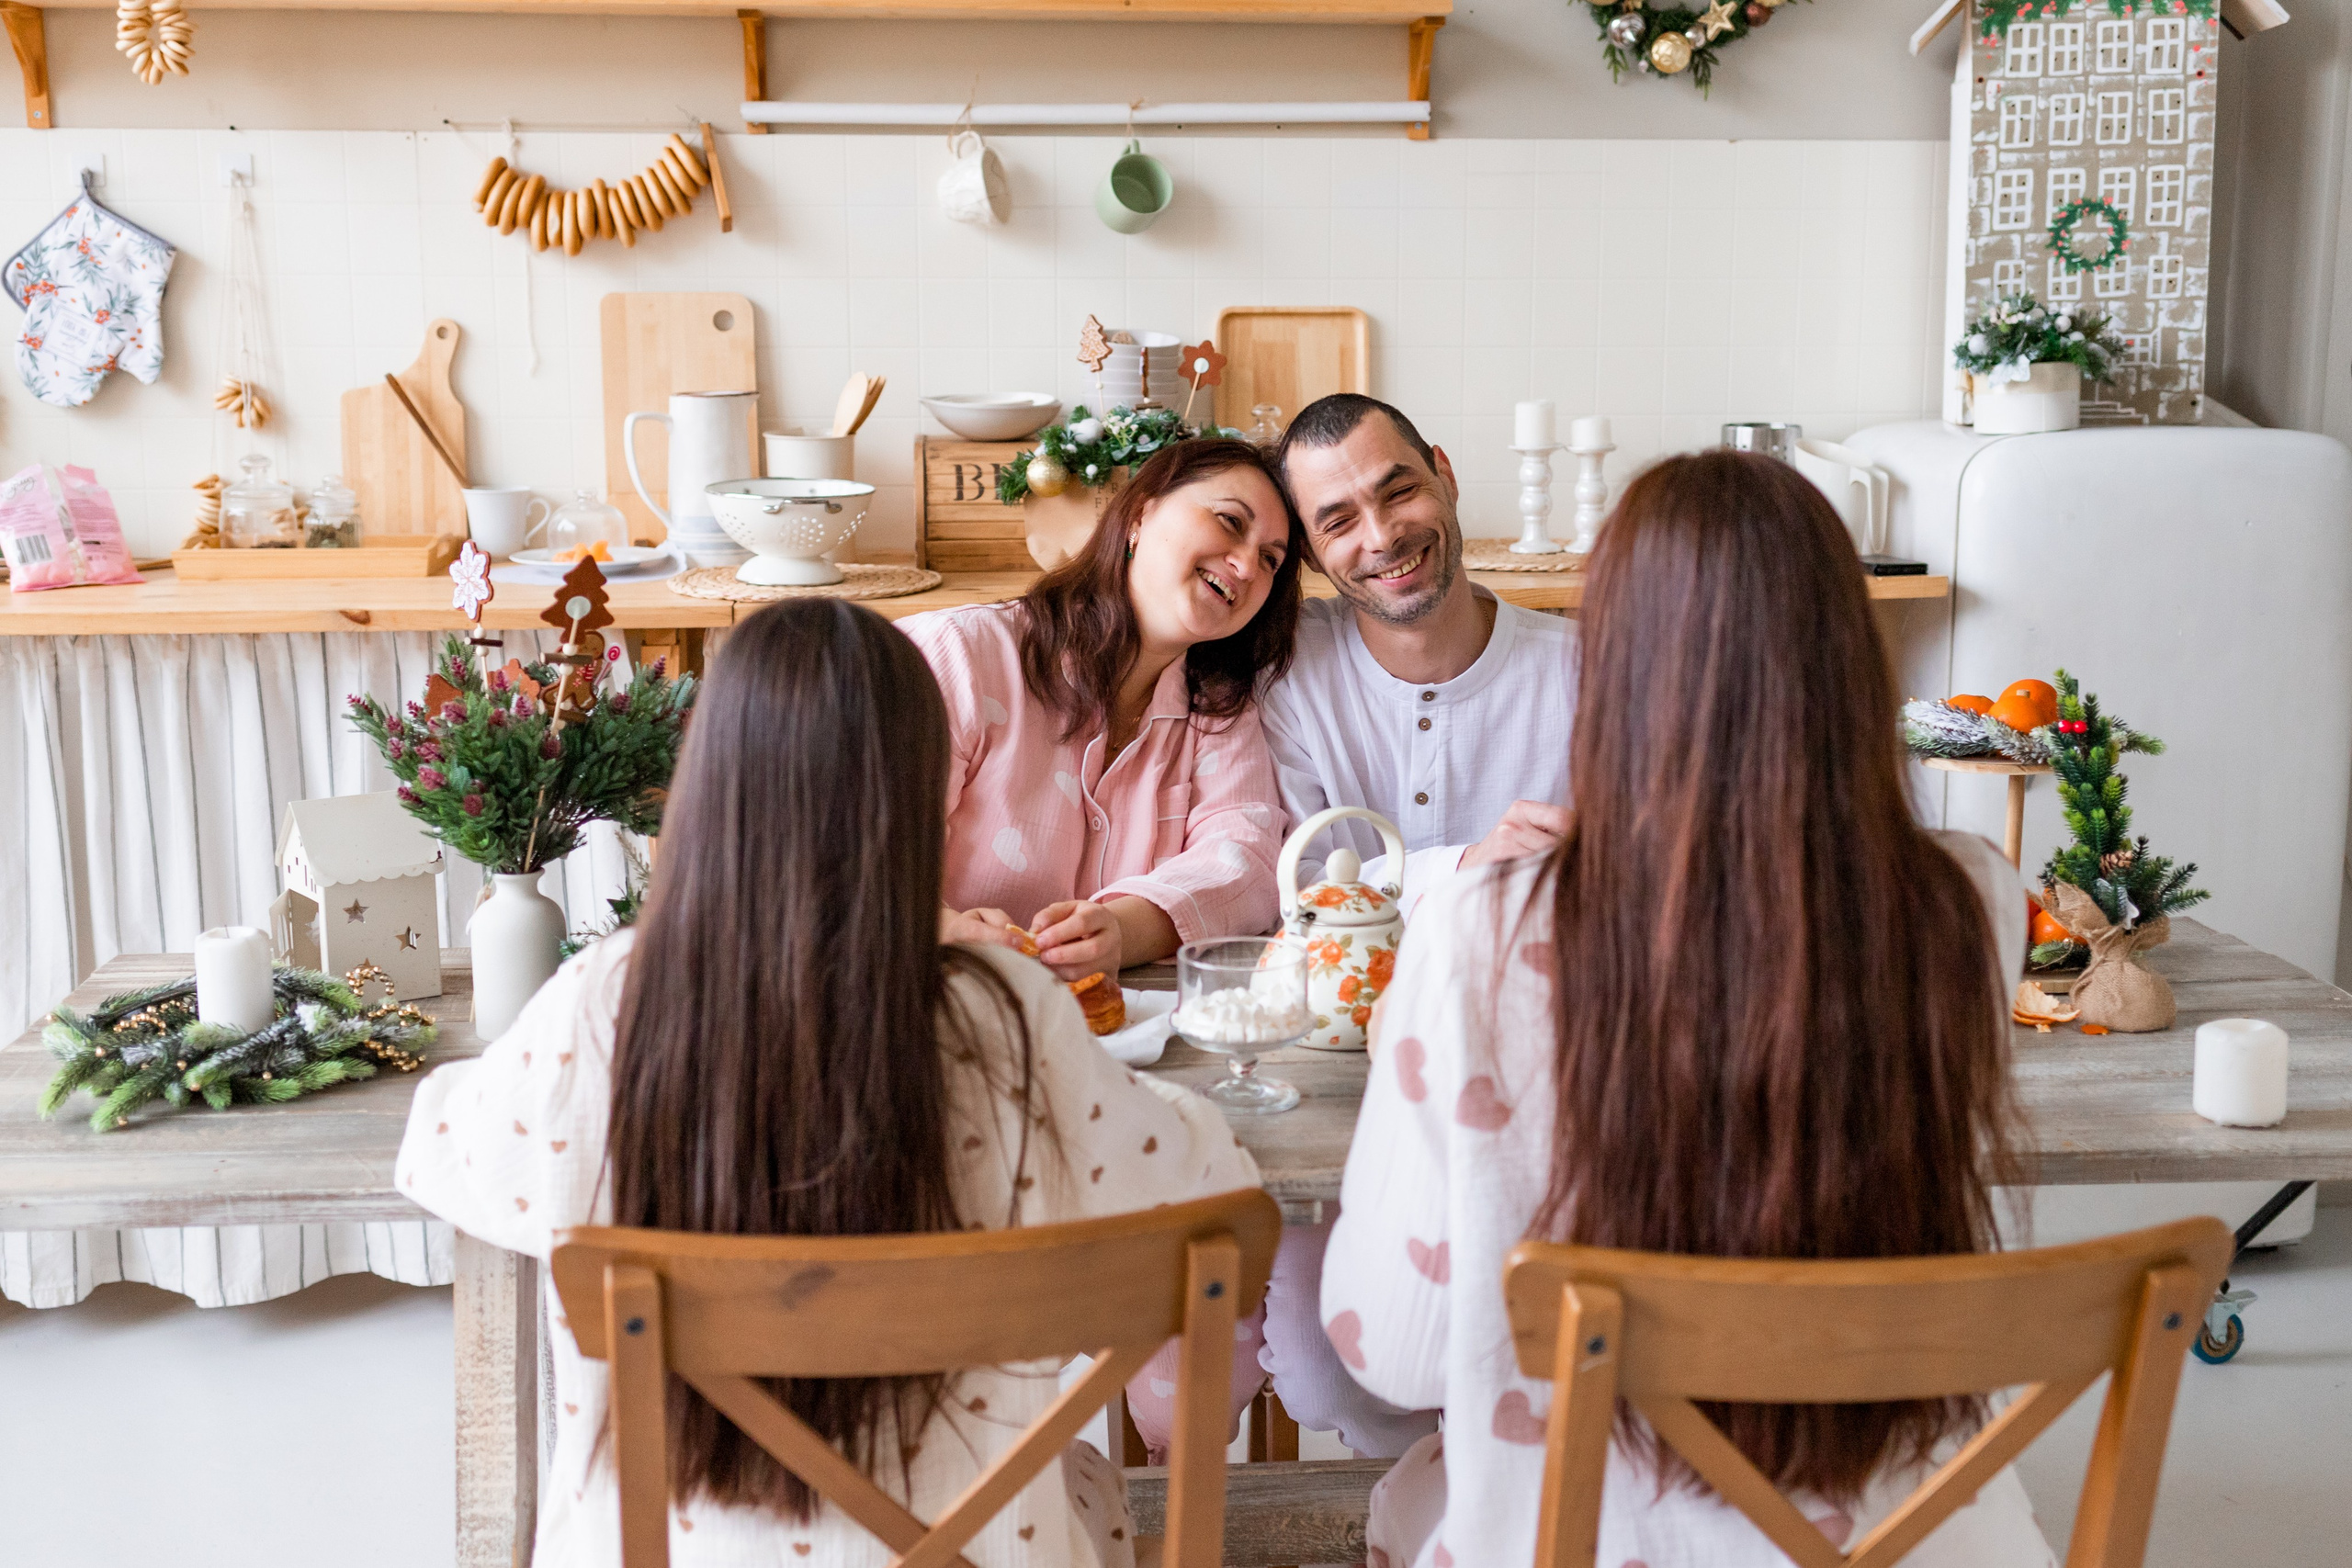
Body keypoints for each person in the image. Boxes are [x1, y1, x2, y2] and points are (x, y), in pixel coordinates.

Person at [395, 600, 1260, 1568]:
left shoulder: (605, 1002)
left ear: (708, 781)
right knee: (1086, 1494)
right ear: (916, 789)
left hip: (673, 1547)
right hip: (978, 1549)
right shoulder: (1005, 1019)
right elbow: (1211, 1189)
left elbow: (442, 1155)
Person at [1324, 450, 2054, 1568]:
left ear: (1617, 672)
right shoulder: (1969, 901)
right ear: (1850, 661)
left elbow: (1394, 1354)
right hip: (1908, 1528)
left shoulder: (1486, 926)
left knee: (1408, 1505)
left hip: (1597, 1529)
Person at [1231, 393, 1587, 1461]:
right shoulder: (1287, 678)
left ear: (1442, 472)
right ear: (1311, 550)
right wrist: (1469, 871)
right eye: (1338, 520)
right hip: (1329, 1102)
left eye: (1397, 490)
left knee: (1540, 1369)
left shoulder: (1581, 670)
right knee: (1334, 1368)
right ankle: (1431, 1501)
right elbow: (1294, 890)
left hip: (1540, 1101)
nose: (1380, 536)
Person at [905, 436, 1306, 982]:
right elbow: (843, 846)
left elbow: (1247, 862)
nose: (1245, 565)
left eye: (1270, 560)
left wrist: (1119, 930)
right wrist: (942, 932)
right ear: (1141, 515)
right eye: (1230, 522)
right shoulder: (959, 654)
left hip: (1123, 1036)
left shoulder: (1219, 709)